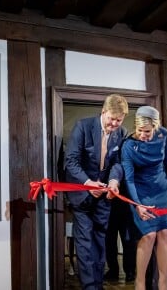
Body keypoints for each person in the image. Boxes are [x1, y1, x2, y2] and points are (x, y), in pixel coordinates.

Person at [64, 94, 129, 290]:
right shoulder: (82, 127)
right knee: (84, 245)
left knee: (101, 242)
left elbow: (118, 163)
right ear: (103, 112)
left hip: (104, 197)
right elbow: (71, 161)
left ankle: (98, 285)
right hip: (82, 196)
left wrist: (114, 181)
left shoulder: (121, 133)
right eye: (112, 119)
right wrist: (88, 182)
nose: (115, 124)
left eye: (119, 120)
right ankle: (90, 287)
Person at [121, 106, 167, 290]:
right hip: (140, 192)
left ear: (156, 127)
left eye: (147, 131)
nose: (143, 135)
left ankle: (163, 283)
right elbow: (129, 179)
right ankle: (139, 282)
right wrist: (137, 205)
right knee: (148, 235)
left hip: (162, 189)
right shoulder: (127, 146)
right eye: (140, 130)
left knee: (165, 233)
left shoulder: (163, 134)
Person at [104, 185, 137, 283]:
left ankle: (130, 271)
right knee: (109, 242)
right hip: (109, 207)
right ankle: (113, 270)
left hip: (126, 208)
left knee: (128, 242)